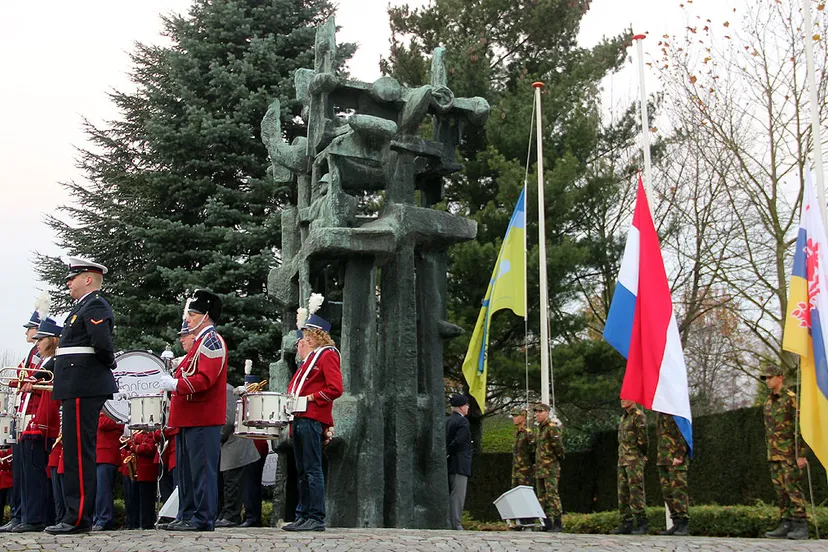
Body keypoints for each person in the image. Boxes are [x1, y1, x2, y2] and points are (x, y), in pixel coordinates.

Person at [46, 258, 118, 535]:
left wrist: (108, 364)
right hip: (75, 384)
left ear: (88, 279)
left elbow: (101, 343)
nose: (68, 283)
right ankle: (74, 515)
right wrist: (43, 374)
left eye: (73, 277)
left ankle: (77, 518)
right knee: (75, 452)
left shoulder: (95, 305)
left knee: (79, 453)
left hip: (83, 385)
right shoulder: (80, 308)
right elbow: (69, 350)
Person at [159, 289, 228, 532]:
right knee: (187, 474)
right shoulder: (200, 342)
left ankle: (202, 518)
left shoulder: (211, 340)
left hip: (202, 417)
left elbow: (205, 379)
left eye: (193, 314)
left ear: (206, 316)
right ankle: (186, 514)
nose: (187, 318)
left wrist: (176, 384)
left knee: (201, 473)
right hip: (189, 417)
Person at [281, 299, 343, 533]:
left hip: (311, 416)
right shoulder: (311, 359)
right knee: (303, 470)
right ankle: (303, 514)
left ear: (318, 335)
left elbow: (335, 388)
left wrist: (310, 399)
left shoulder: (327, 355)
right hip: (300, 417)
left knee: (312, 469)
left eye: (308, 334)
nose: (304, 339)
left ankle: (315, 516)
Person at [14, 316, 62, 532]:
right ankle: (27, 516)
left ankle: (35, 518)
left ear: (51, 340)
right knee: (27, 475)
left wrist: (34, 383)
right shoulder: (43, 362)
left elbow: (49, 387)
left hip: (40, 423)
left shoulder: (54, 361)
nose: (37, 343)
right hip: (30, 421)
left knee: (35, 474)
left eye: (41, 339)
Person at [0, 308, 43, 533]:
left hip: (33, 419)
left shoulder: (39, 355)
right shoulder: (30, 354)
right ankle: (19, 514)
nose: (27, 332)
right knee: (20, 473)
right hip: (22, 415)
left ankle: (26, 516)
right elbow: (20, 375)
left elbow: (31, 378)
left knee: (29, 473)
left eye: (31, 328)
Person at [761, 364, 809, 540]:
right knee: (780, 491)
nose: (767, 381)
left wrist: (801, 453)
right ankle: (785, 522)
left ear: (779, 377)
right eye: (765, 378)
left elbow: (800, 427)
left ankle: (800, 524)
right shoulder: (768, 402)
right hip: (774, 453)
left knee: (793, 488)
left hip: (789, 453)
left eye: (769, 377)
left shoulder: (791, 399)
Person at [215, 382, 260, 528]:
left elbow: (228, 420)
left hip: (234, 442)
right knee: (227, 481)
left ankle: (231, 515)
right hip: (230, 443)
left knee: (232, 481)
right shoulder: (224, 389)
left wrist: (217, 438)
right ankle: (226, 514)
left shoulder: (226, 389)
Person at [612, 399, 648, 535]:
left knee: (636, 491)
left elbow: (643, 439)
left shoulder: (638, 416)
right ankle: (626, 522)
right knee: (623, 492)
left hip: (634, 459)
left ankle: (641, 522)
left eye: (625, 397)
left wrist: (642, 454)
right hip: (622, 459)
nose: (622, 400)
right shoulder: (624, 417)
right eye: (621, 398)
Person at [657, 412, 691, 536]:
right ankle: (676, 522)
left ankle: (684, 522)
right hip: (663, 459)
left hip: (676, 459)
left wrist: (680, 455)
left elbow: (684, 433)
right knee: (667, 492)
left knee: (679, 491)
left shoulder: (677, 411)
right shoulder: (660, 414)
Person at [534, 403, 564, 532]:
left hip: (550, 467)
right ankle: (546, 522)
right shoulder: (540, 429)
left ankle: (558, 522)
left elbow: (559, 448)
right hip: (541, 468)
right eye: (536, 412)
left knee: (552, 495)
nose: (537, 414)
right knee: (541, 496)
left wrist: (555, 460)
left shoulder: (552, 428)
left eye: (540, 412)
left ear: (547, 412)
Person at [91, 412, 124, 531]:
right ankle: (96, 518)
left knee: (103, 491)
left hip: (107, 454)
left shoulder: (114, 413)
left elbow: (102, 423)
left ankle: (104, 519)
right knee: (96, 491)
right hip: (97, 455)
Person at [445, 394, 472, 531]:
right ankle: (456, 524)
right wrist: (449, 451)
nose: (468, 408)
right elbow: (459, 441)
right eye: (467, 405)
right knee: (458, 495)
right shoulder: (463, 422)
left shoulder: (448, 420)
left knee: (451, 492)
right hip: (460, 463)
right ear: (461, 407)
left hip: (450, 463)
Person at [131, 430, 160, 529]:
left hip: (148, 470)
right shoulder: (140, 435)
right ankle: (142, 522)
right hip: (141, 471)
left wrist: (135, 447)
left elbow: (150, 449)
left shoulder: (151, 434)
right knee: (140, 499)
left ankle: (146, 523)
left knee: (147, 500)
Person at [510, 407, 535, 489]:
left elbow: (533, 451)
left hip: (525, 471)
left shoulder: (528, 433)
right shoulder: (517, 433)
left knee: (525, 493)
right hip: (516, 470)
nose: (514, 418)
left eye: (516, 416)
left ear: (523, 417)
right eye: (513, 416)